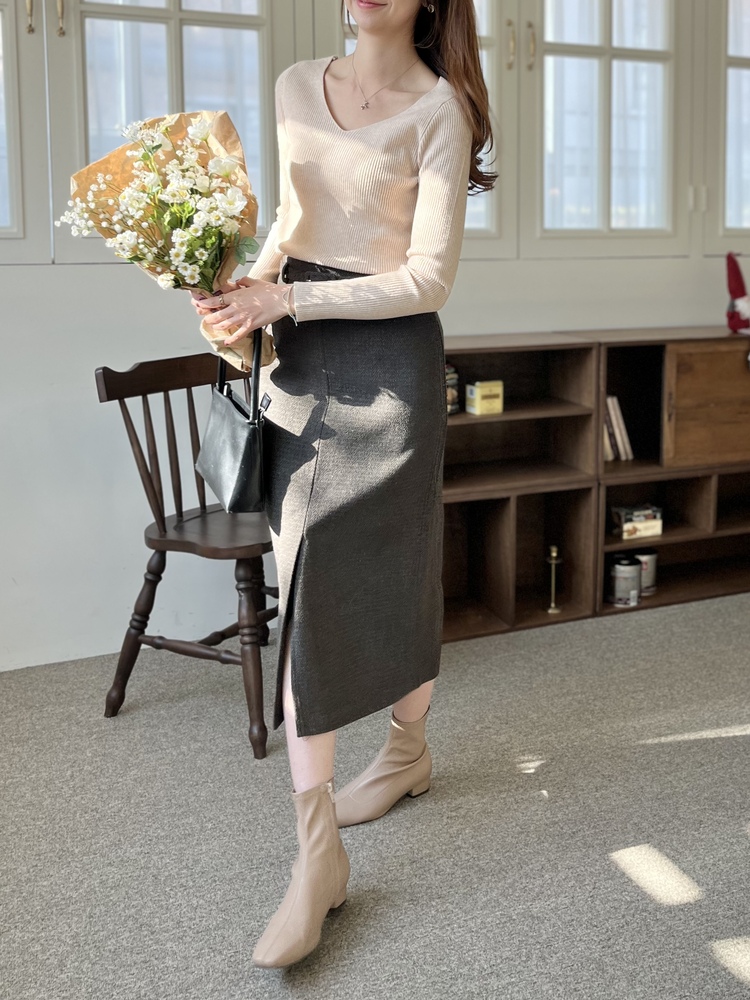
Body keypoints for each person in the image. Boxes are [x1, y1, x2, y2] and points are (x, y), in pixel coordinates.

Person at [192, 0, 496, 970]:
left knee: (401, 567)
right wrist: (239, 295)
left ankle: (407, 749)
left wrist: (287, 294)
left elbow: (428, 278)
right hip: (299, 360)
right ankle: (317, 852)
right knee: (311, 578)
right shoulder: (295, 85)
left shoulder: (441, 110)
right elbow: (292, 222)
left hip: (392, 367)